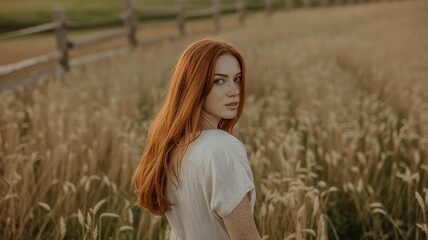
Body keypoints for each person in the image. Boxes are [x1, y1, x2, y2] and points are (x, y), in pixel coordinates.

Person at [132, 38, 261, 240]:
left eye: (237, 79)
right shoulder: (222, 149)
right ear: (195, 85)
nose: (234, 91)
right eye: (219, 81)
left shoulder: (171, 148)